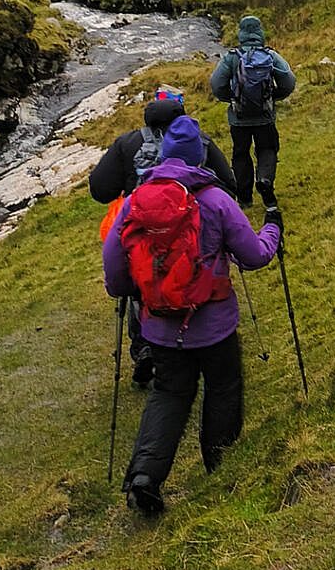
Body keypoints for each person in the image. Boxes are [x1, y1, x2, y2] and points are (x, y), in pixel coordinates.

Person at [102, 116, 281, 515]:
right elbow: (255, 256)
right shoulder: (216, 200)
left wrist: (134, 289)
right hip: (214, 326)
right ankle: (220, 466)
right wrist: (273, 229)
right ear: (199, 156)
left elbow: (113, 266)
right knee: (222, 388)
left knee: (169, 394)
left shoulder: (136, 201)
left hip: (159, 328)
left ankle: (144, 478)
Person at [89, 86, 238, 387]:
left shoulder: (128, 143)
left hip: (141, 236)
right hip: (190, 238)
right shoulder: (200, 142)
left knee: (141, 283)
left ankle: (145, 346)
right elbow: (228, 184)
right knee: (189, 280)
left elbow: (100, 189)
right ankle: (193, 341)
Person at [209, 15, 296, 208]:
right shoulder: (270, 56)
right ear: (260, 32)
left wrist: (232, 99)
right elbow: (289, 82)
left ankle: (245, 199)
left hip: (239, 118)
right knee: (267, 149)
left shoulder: (232, 57)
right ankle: (265, 180)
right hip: (265, 116)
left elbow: (216, 85)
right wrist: (273, 97)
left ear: (240, 33)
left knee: (240, 154)